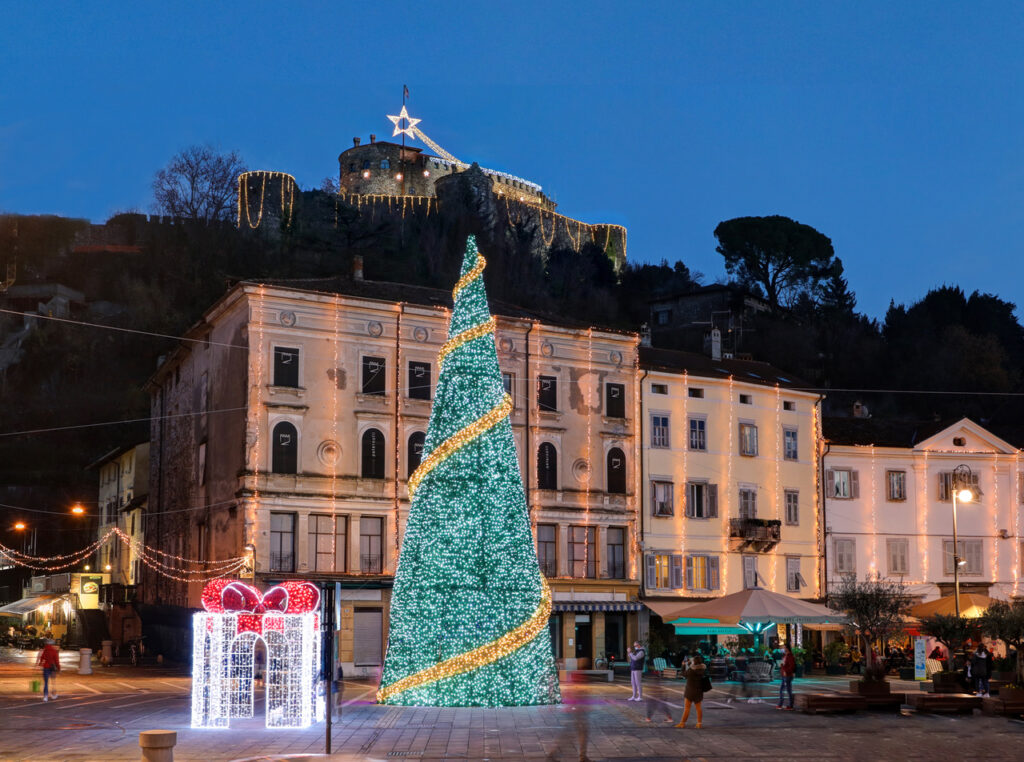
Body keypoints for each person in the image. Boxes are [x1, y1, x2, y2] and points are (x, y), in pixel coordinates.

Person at [675, 654, 706, 729]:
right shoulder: (702, 669)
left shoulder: (692, 670)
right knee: (698, 708)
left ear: (694, 662)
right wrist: (689, 663)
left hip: (690, 690)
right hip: (699, 690)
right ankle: (699, 723)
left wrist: (683, 665)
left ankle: (682, 723)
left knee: (687, 708)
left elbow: (684, 674)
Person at [777, 644, 796, 710]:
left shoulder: (790, 656)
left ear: (787, 648)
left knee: (787, 690)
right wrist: (781, 666)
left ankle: (788, 705)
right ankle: (783, 704)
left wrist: (786, 671)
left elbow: (792, 666)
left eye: (784, 647)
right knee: (785, 690)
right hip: (784, 674)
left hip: (787, 675)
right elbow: (784, 664)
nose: (783, 649)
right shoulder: (785, 655)